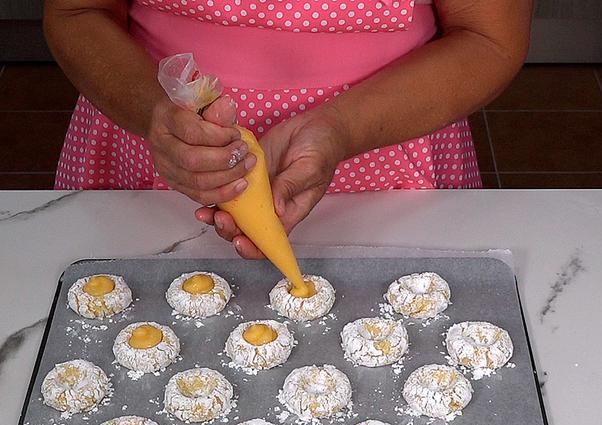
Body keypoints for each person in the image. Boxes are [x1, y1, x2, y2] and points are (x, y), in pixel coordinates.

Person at [45, 0, 531, 258]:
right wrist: (156, 114)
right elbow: (76, 12)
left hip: (390, 166)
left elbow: (488, 38)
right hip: (156, 163)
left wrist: (340, 127)